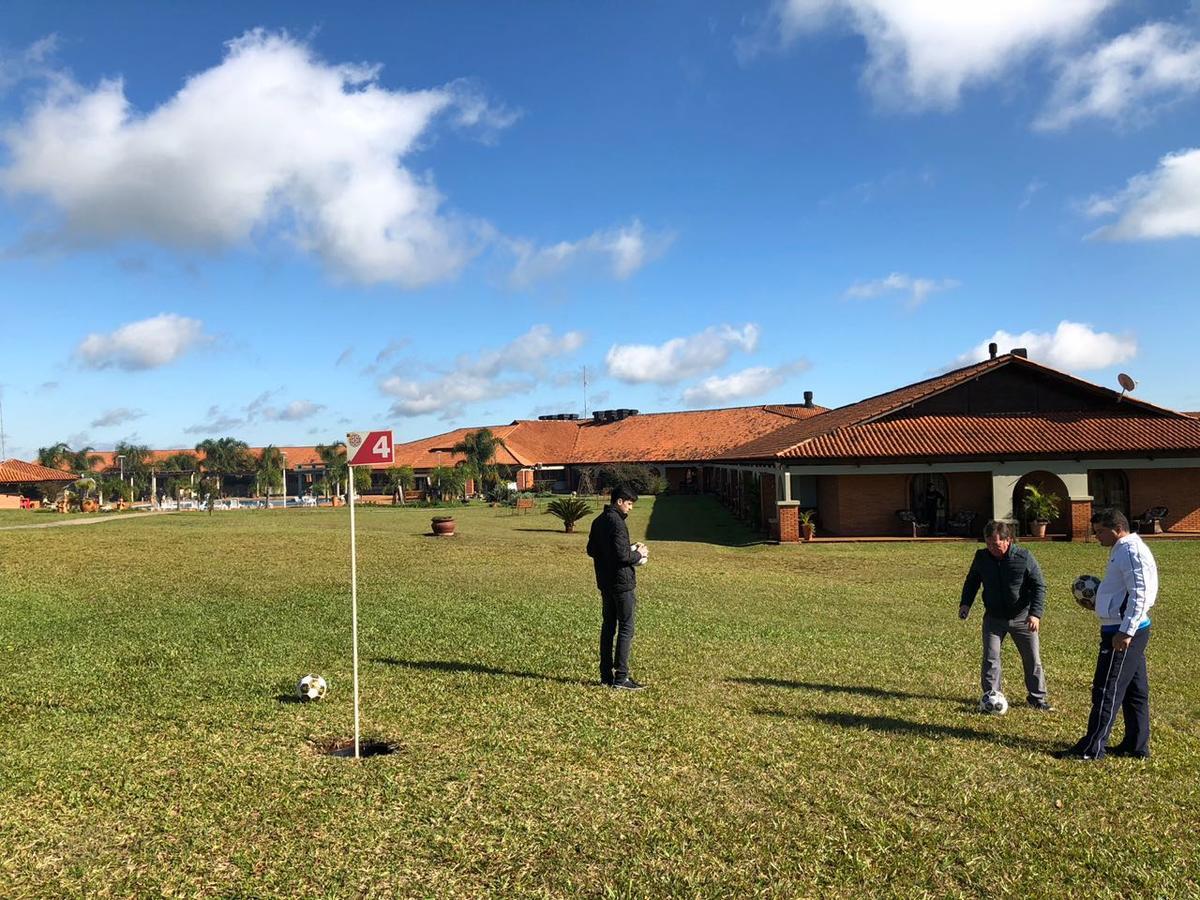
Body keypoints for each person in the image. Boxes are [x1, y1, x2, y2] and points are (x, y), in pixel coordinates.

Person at [1058, 508, 1158, 761]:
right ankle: (1136, 745)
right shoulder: (1121, 549)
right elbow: (1122, 590)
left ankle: (1091, 748)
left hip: (1123, 633)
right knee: (1135, 691)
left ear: (1117, 529)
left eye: (1100, 531)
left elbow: (1141, 593)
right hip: (1119, 628)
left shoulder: (1131, 551)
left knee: (1107, 688)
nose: (1096, 536)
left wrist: (1126, 631)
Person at [959, 520, 1052, 711]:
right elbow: (972, 582)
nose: (992, 548)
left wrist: (1035, 614)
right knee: (991, 657)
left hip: (1022, 618)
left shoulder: (1024, 557)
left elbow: (1039, 586)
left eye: (996, 544)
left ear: (1008, 540)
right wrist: (965, 604)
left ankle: (1037, 698)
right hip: (994, 618)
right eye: (988, 544)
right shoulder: (981, 557)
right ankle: (991, 696)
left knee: (1032, 658)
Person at [587, 485, 648, 690]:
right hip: (622, 584)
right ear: (619, 502)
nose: (630, 508)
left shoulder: (598, 521)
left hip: (605, 582)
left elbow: (591, 550)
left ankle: (605, 675)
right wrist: (639, 554)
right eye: (629, 504)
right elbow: (622, 556)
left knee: (608, 627)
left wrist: (622, 551)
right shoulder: (617, 523)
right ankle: (621, 677)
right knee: (626, 628)